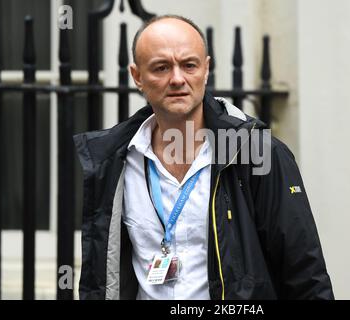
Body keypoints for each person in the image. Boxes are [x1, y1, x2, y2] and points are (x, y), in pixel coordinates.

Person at [74, 14, 334, 300]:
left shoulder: (257, 152)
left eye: (189, 65)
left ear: (206, 69)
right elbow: (99, 279)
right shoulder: (115, 160)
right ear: (137, 76)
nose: (177, 79)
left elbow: (304, 276)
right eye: (161, 68)